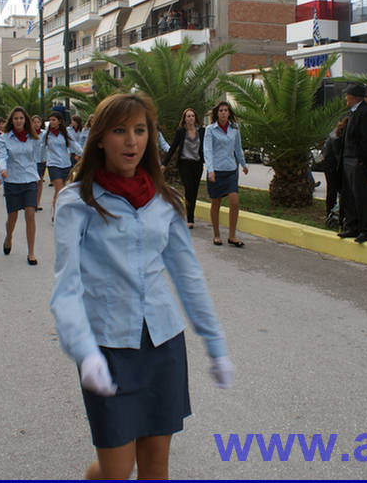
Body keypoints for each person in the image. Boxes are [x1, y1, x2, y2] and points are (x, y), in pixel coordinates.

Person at [50, 92, 234, 479]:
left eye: (140, 130)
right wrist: (85, 351)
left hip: (162, 344)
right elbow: (66, 288)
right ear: (100, 138)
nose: (131, 141)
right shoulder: (77, 202)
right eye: (119, 131)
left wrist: (215, 344)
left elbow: (188, 275)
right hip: (107, 348)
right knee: (116, 472)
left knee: (155, 468)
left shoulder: (164, 200)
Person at [0, 106, 42, 265]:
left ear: (25, 120)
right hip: (12, 180)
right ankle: (9, 237)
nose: (18, 121)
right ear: (12, 120)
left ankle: (31, 252)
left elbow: (39, 153)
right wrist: (2, 169)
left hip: (30, 179)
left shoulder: (33, 137)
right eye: (16, 118)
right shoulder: (5, 138)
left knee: (30, 214)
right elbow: (1, 156)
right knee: (12, 217)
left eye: (21, 118)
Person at [338, 83, 367, 244]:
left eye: (347, 95)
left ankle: (365, 230)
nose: (346, 98)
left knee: (361, 196)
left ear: (354, 97)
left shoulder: (365, 112)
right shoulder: (354, 112)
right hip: (348, 158)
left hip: (357, 160)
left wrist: (361, 159)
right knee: (348, 194)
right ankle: (352, 226)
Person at [203, 101, 248, 247]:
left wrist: (243, 164)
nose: (223, 113)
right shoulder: (210, 129)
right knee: (216, 203)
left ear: (229, 113)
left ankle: (232, 236)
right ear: (217, 113)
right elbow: (208, 151)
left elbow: (238, 148)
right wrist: (210, 170)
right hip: (216, 171)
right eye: (221, 110)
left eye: (226, 110)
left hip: (231, 170)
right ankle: (216, 235)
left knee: (234, 202)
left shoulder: (235, 128)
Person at [162, 108, 205, 229]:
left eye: (192, 116)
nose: (190, 118)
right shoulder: (181, 132)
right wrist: (164, 164)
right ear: (184, 119)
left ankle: (191, 216)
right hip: (185, 164)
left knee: (194, 191)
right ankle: (190, 219)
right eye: (188, 116)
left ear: (195, 118)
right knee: (189, 188)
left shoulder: (202, 131)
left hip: (197, 164)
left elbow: (208, 146)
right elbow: (173, 148)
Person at [43, 111, 83, 218]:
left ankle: (60, 210)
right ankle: (56, 214)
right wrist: (40, 159)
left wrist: (84, 154)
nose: (51, 122)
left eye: (54, 120)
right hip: (53, 164)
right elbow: (39, 146)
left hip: (65, 164)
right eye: (50, 120)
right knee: (59, 189)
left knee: (63, 190)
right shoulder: (46, 134)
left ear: (59, 121)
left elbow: (75, 145)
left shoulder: (66, 133)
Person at [320, 117, 347, 228]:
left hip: (329, 165)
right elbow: (338, 156)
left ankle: (332, 212)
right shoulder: (337, 138)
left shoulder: (335, 133)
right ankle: (332, 214)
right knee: (335, 189)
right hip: (332, 166)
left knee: (332, 189)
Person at [31, 115, 47, 211]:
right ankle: (31, 202)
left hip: (41, 160)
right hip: (31, 161)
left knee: (40, 182)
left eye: (38, 122)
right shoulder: (29, 134)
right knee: (33, 182)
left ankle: (37, 203)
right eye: (34, 122)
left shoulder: (44, 133)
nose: (36, 124)